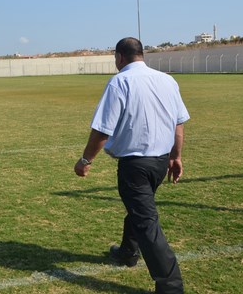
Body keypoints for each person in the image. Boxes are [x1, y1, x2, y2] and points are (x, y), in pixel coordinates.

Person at [74, 37, 189, 294]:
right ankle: (128, 252)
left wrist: (85, 161)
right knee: (139, 209)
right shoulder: (167, 80)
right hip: (160, 162)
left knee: (146, 221)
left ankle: (171, 286)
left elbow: (102, 130)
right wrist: (175, 156)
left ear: (119, 57)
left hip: (135, 165)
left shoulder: (120, 82)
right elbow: (178, 124)